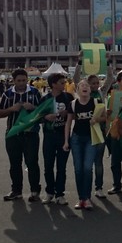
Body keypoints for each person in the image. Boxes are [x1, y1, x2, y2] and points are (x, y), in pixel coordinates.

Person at [0, 69, 43, 202]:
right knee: (15, 163)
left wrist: (33, 108)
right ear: (13, 80)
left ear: (27, 79)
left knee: (32, 162)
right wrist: (11, 109)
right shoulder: (8, 94)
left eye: (24, 80)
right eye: (19, 80)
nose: (22, 83)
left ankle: (35, 190)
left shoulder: (34, 93)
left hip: (31, 133)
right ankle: (16, 190)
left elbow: (44, 112)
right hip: (13, 133)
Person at [65, 79, 105, 210]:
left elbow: (106, 117)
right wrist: (66, 141)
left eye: (87, 85)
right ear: (77, 89)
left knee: (87, 167)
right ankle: (81, 198)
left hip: (91, 138)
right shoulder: (73, 104)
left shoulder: (96, 102)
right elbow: (68, 123)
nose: (85, 87)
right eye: (82, 85)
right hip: (76, 138)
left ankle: (86, 197)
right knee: (78, 169)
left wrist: (96, 119)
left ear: (90, 89)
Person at [40, 73, 73, 205]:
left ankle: (60, 193)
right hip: (49, 135)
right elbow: (37, 117)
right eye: (61, 82)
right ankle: (49, 192)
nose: (64, 84)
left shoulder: (68, 97)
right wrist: (46, 117)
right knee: (48, 166)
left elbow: (75, 113)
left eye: (64, 82)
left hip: (63, 135)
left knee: (61, 167)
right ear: (53, 84)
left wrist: (68, 113)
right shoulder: (45, 99)